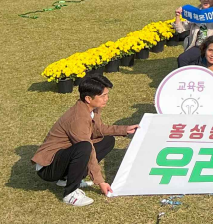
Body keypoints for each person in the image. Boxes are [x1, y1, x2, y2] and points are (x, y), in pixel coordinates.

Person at [32, 74, 138, 206]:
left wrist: (124, 129)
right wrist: (100, 181)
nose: (107, 99)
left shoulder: (92, 109)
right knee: (85, 148)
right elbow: (88, 149)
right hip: (48, 167)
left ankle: (66, 179)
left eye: (107, 94)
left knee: (107, 141)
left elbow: (99, 129)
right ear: (88, 98)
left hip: (63, 157)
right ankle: (69, 193)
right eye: (103, 96)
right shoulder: (78, 118)